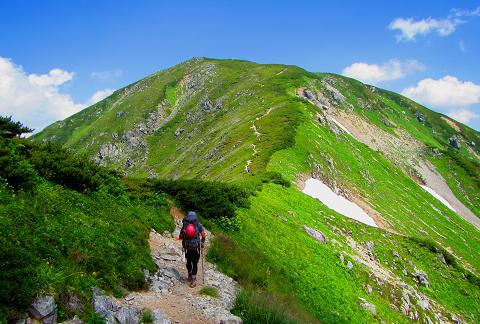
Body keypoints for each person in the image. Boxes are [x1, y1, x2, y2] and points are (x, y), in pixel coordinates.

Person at [178, 211, 206, 287]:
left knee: (188, 261)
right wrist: (202, 242)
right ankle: (193, 280)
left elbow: (180, 236)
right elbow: (203, 235)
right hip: (196, 248)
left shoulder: (185, 225)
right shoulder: (198, 225)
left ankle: (189, 274)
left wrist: (185, 237)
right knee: (195, 263)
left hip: (187, 247)